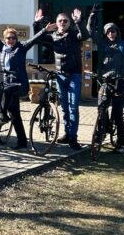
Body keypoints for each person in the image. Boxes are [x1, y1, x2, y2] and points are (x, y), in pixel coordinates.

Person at [0, 8, 55, 149]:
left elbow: (33, 40)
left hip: (20, 84)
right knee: (15, 115)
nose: (11, 40)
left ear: (16, 39)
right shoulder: (3, 49)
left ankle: (1, 116)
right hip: (8, 83)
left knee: (6, 91)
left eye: (13, 38)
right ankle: (22, 142)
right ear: (5, 39)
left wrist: (44, 29)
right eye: (8, 38)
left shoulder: (21, 48)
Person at [87, 6, 124, 153]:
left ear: (117, 32)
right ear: (105, 34)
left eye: (113, 31)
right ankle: (100, 134)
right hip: (105, 81)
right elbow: (90, 31)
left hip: (119, 82)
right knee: (101, 110)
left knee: (118, 115)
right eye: (108, 31)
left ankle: (121, 143)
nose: (111, 34)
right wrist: (92, 15)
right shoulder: (102, 43)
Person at [34, 8, 90, 150]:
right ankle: (67, 134)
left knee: (73, 107)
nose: (63, 23)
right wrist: (37, 24)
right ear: (57, 23)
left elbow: (85, 35)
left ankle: (73, 137)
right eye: (60, 21)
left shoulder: (74, 34)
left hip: (74, 75)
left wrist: (79, 21)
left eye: (65, 21)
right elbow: (38, 38)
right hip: (60, 75)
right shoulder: (53, 36)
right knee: (64, 108)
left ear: (69, 23)